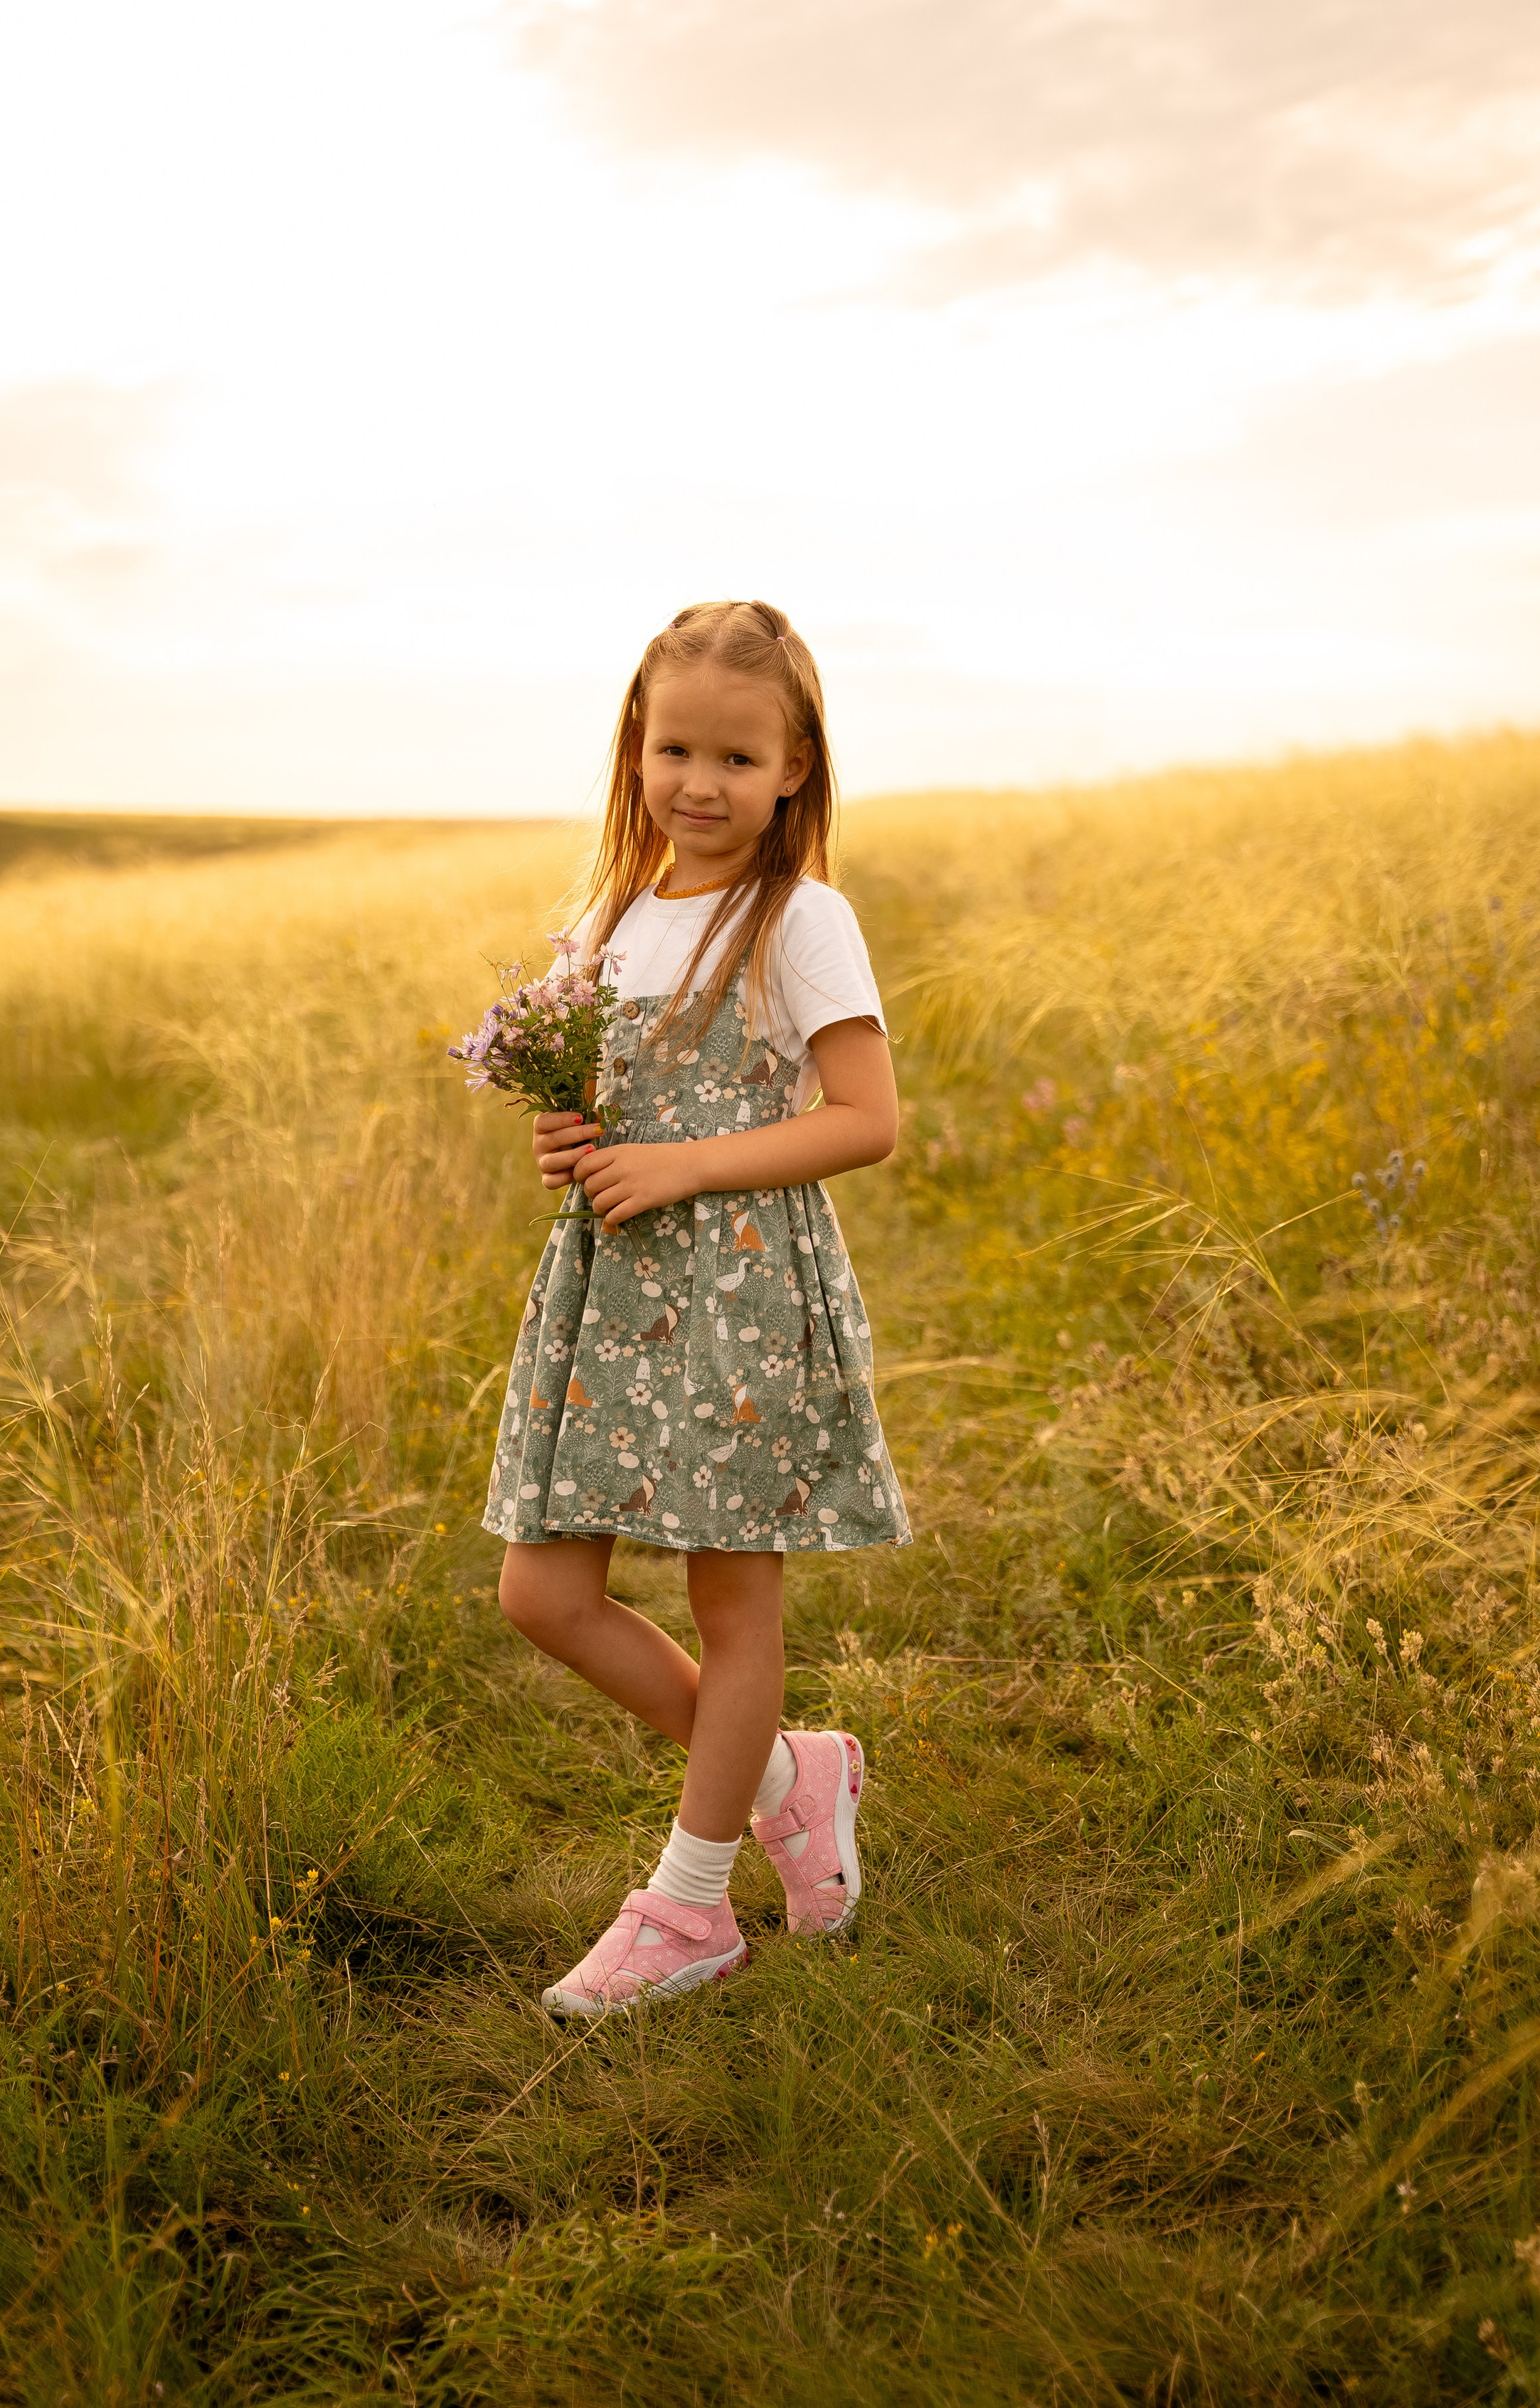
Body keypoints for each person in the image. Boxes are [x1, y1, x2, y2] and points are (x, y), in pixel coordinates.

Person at [486, 597, 910, 2015]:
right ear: (635, 749)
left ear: (792, 769)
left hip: (735, 1289)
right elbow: (585, 1105)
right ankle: (791, 1775)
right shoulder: (603, 919)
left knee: (735, 1606)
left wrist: (681, 1163)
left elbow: (864, 1119)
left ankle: (686, 1909)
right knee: (541, 1592)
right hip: (610, 1297)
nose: (699, 784)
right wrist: (565, 1136)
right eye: (675, 749)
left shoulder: (799, 918)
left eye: (737, 758)